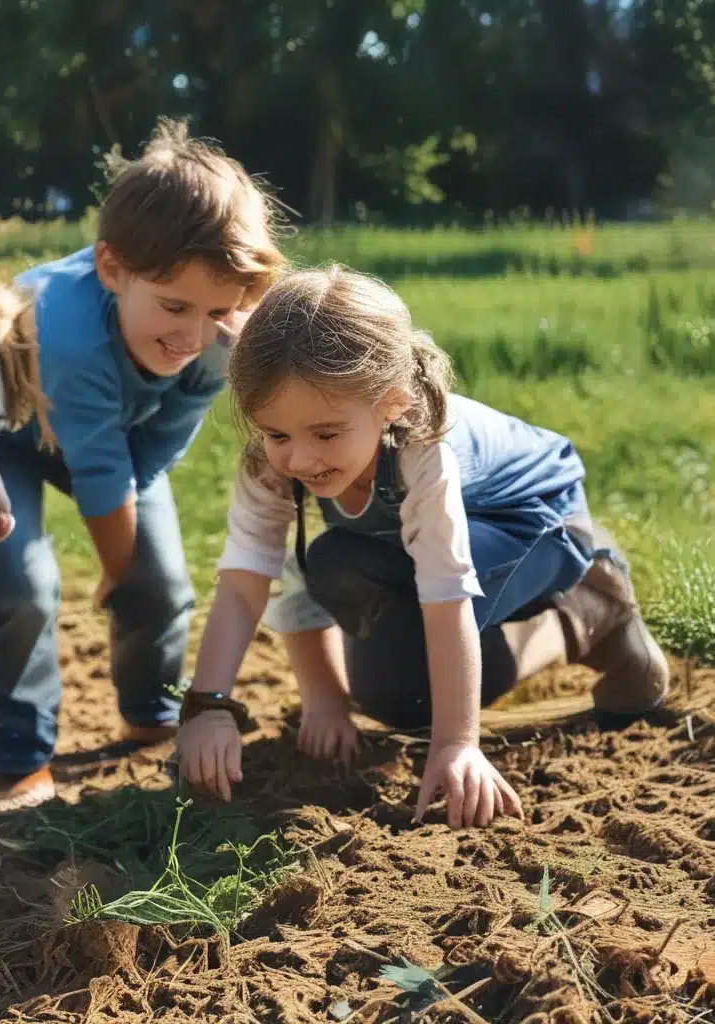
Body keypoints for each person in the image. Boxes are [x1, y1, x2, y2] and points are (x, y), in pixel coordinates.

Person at [175, 264, 670, 830]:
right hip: (420, 543)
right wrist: (217, 705)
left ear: (390, 404)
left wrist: (457, 745)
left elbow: (445, 596)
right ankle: (510, 647)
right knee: (385, 685)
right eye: (278, 433)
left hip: (534, 520)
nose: (301, 457)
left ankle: (587, 614)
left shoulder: (420, 449)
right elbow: (250, 583)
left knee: (428, 704)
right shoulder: (275, 465)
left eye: (327, 434)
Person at [0, 119, 288, 813]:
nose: (192, 333)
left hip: (114, 439)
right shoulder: (68, 334)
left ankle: (150, 717)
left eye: (219, 310)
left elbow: (157, 444)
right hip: (1, 439)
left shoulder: (220, 342)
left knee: (161, 585)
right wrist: (113, 568)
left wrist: (132, 571)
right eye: (173, 305)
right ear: (111, 269)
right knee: (22, 589)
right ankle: (20, 761)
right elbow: (101, 487)